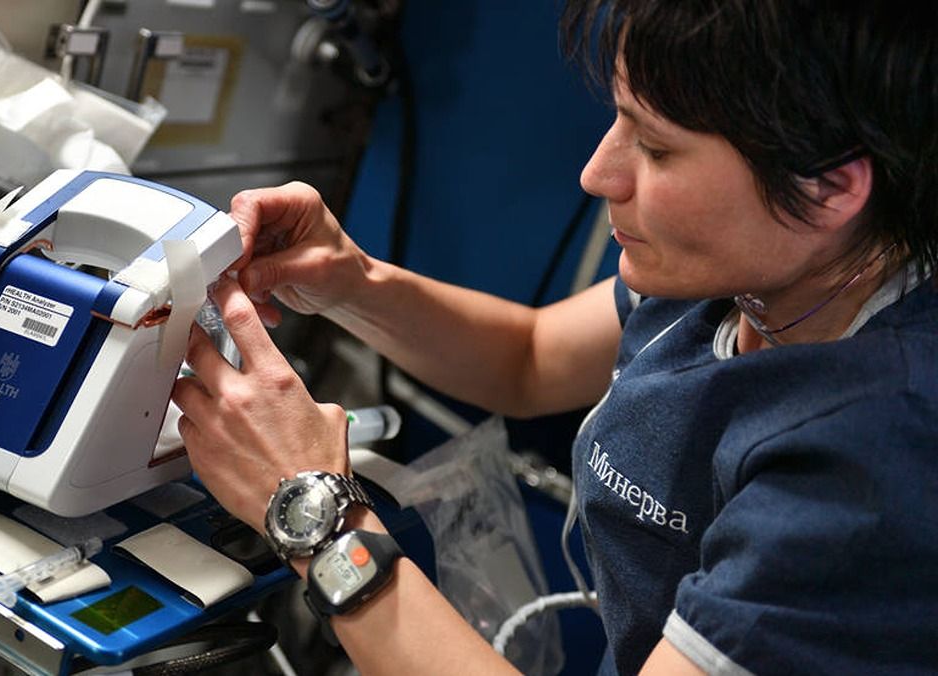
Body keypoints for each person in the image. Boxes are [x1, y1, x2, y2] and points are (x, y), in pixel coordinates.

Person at [171, 1, 938, 674]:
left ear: (830, 187)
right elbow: (529, 360)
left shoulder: (871, 473)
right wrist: (351, 280)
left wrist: (312, 509)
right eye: (619, 119)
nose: (599, 173)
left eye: (658, 148)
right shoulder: (759, 273)